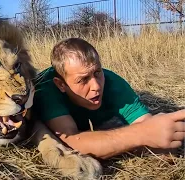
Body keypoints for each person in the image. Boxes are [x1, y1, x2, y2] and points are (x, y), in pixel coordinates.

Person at [32, 37, 185, 159]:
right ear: (61, 85)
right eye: (83, 80)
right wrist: (141, 134)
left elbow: (156, 136)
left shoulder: (114, 84)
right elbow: (73, 142)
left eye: (97, 72)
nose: (96, 86)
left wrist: (166, 133)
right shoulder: (46, 89)